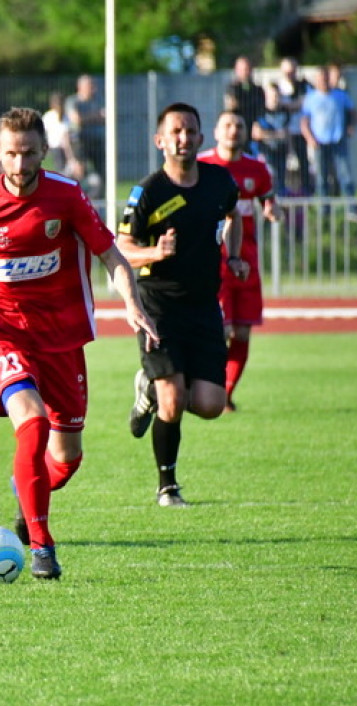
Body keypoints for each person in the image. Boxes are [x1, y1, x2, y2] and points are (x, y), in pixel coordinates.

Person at [0, 107, 158, 579]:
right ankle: (42, 548)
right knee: (32, 424)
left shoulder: (67, 196)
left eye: (30, 154)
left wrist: (132, 305)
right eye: (11, 155)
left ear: (44, 151)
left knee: (67, 459)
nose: (20, 166)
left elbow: (112, 256)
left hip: (62, 340)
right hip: (1, 337)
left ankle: (26, 494)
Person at [117, 102, 245, 507]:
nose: (183, 138)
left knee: (210, 405)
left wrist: (236, 255)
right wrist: (155, 253)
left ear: (201, 138)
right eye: (175, 131)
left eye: (190, 131)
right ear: (160, 141)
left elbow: (234, 214)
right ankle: (167, 487)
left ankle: (148, 388)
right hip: (159, 308)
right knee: (172, 400)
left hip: (205, 306)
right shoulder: (148, 192)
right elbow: (120, 248)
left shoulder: (218, 181)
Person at [198, 111, 282, 412]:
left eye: (239, 125)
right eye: (228, 125)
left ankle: (226, 394)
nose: (234, 130)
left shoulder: (257, 169)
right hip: (212, 262)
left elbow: (268, 200)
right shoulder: (203, 166)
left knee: (242, 332)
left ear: (245, 133)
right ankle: (209, 388)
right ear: (216, 132)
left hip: (247, 263)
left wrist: (273, 210)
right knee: (217, 330)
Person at [301, 65, 357, 213]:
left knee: (345, 175)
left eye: (325, 78)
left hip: (338, 140)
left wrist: (351, 127)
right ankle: (324, 211)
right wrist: (310, 138)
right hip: (319, 143)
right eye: (320, 79)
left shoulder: (340, 95)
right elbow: (304, 122)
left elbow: (353, 113)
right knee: (322, 178)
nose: (323, 81)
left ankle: (352, 209)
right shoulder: (310, 98)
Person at [276, 57, 312, 195]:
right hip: (282, 131)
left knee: (303, 163)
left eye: (292, 71)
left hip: (300, 131)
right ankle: (282, 192)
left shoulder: (304, 85)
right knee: (281, 164)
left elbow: (303, 102)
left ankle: (306, 192)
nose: (289, 74)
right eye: (287, 72)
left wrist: (288, 105)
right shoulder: (277, 86)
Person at [65, 75, 105, 198]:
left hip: (97, 144)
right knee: (79, 173)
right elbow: (77, 119)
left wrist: (87, 117)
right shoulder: (73, 101)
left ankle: (98, 207)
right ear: (80, 87)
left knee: (102, 176)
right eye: (90, 85)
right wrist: (95, 116)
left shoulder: (98, 100)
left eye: (93, 85)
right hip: (80, 144)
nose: (93, 88)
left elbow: (106, 117)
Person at [253, 81, 291, 195]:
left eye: (277, 95)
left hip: (281, 151)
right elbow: (257, 133)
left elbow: (287, 133)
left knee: (281, 180)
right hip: (265, 152)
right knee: (269, 178)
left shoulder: (285, 112)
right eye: (272, 95)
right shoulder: (259, 111)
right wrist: (277, 135)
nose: (275, 98)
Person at [223, 56, 266, 154]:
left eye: (247, 69)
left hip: (255, 131)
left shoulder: (258, 90)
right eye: (242, 69)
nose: (245, 72)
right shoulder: (232, 88)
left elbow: (262, 109)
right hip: (239, 129)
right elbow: (232, 107)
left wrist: (258, 124)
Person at [42, 91, 77, 178]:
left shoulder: (65, 117)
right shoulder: (49, 116)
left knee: (66, 171)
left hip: (65, 147)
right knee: (62, 172)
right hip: (57, 149)